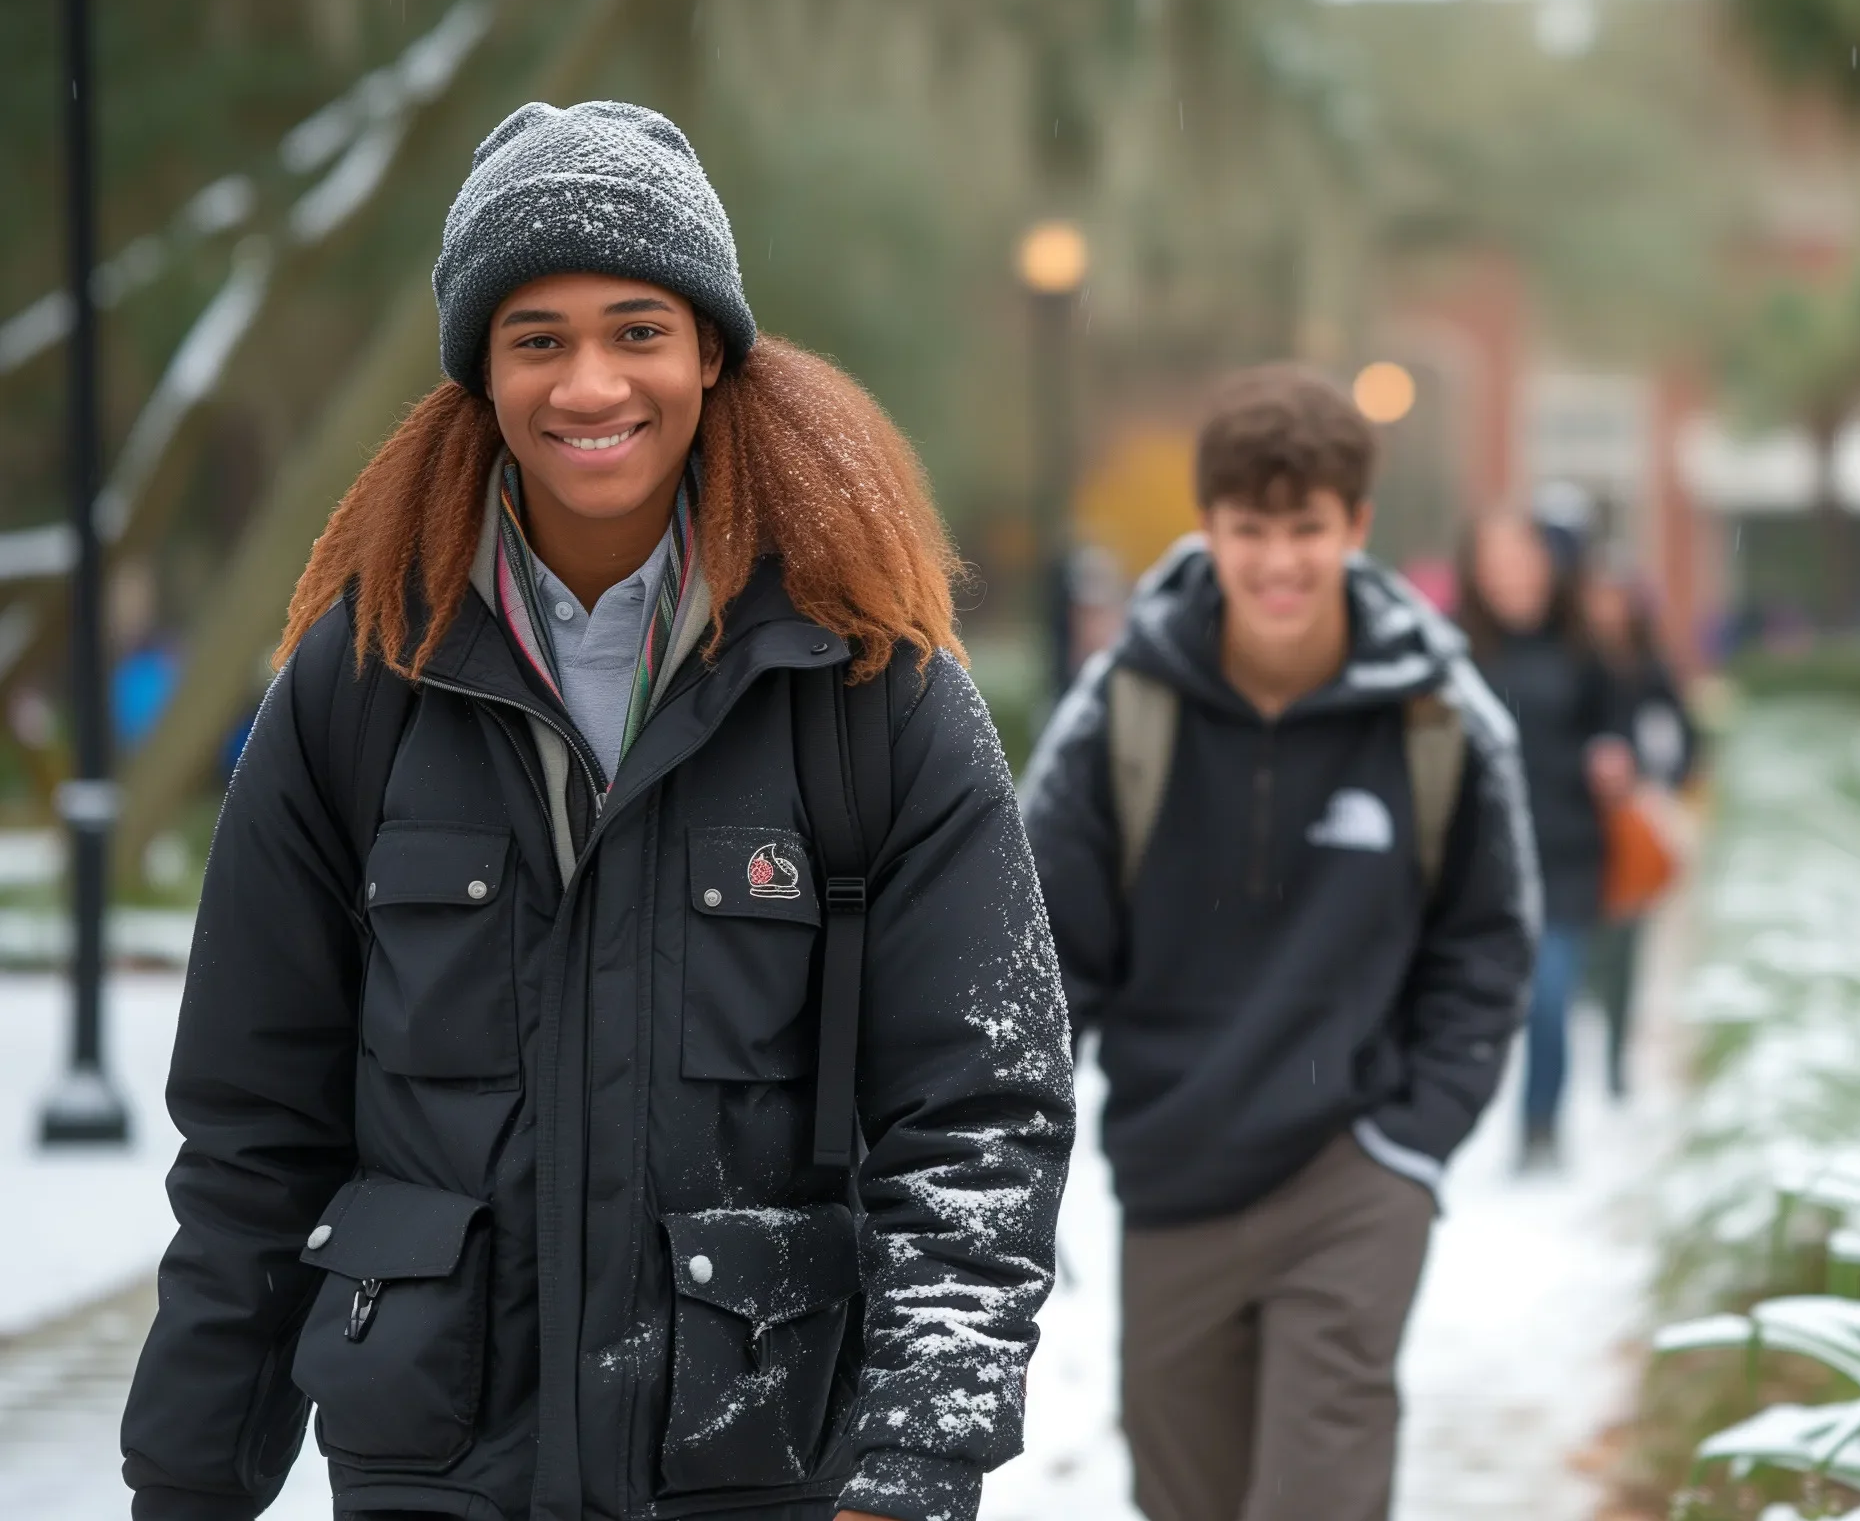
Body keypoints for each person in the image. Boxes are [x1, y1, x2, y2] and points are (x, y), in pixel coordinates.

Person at [120, 100, 1074, 1521]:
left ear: (709, 352)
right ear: (481, 371)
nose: (589, 384)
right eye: (537, 338)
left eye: (638, 329)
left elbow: (980, 1113)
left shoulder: (870, 686)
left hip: (757, 1474)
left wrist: (917, 1463)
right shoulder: (359, 683)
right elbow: (254, 1133)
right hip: (435, 1477)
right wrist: (188, 1481)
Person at [1020, 365, 1540, 1521]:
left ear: (1354, 525)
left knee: (1317, 1495)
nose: (1278, 562)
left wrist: (1413, 1142)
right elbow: (1040, 958)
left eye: (1305, 529)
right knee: (1185, 1501)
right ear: (1207, 528)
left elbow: (1487, 945)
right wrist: (1020, 1151)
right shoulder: (1122, 712)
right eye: (1250, 530)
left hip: (1350, 1177)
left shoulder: (1438, 716)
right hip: (1172, 1174)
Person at [1457, 508, 1631, 1171]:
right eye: (1494, 560)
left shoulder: (1583, 648)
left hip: (1566, 850)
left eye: (1520, 557)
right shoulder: (1455, 648)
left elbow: (1618, 725)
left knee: (1550, 996)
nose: (1509, 574)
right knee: (1481, 1001)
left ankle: (1540, 1123)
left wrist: (1612, 755)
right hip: (1479, 857)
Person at [1581, 564, 1700, 1101]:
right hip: (1579, 820)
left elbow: (1685, 741)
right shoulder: (1576, 664)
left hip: (1634, 819)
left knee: (1625, 938)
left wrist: (1654, 778)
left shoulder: (1649, 671)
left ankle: (1614, 1055)